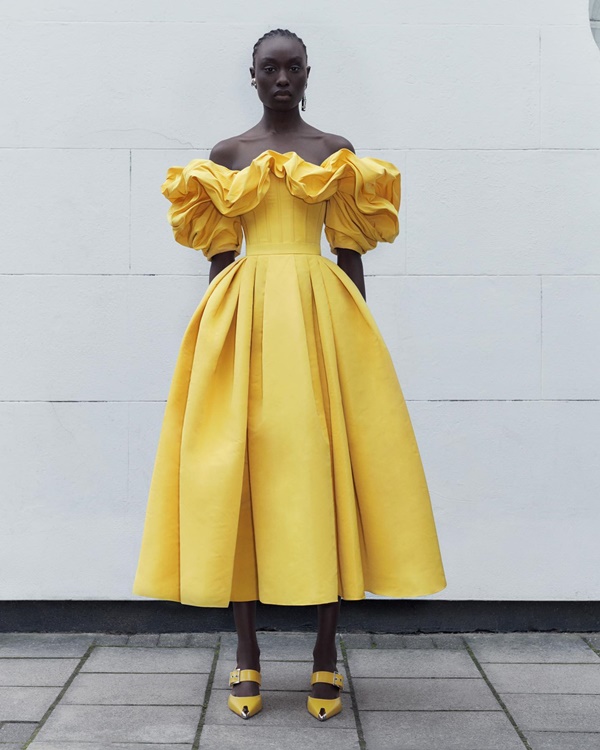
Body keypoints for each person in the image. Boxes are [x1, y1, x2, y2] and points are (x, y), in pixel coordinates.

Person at [133, 28, 447, 722]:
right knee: (238, 476)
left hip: (317, 318)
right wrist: (215, 338)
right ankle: (246, 654)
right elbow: (219, 259)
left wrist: (358, 341)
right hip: (244, 319)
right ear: (251, 76)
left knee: (325, 473)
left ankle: (325, 657)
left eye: (292, 68)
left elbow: (350, 250)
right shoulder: (225, 157)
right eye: (268, 68)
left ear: (308, 75)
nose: (281, 78)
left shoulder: (333, 154)